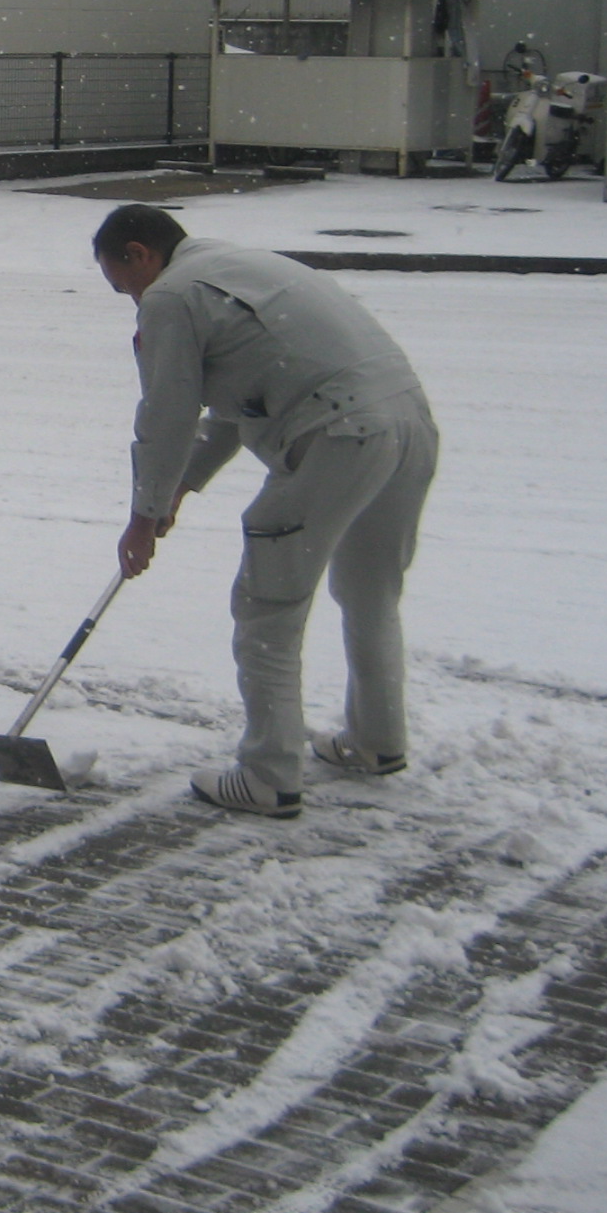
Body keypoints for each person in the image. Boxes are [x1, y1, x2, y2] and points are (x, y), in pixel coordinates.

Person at [95, 204, 439, 820]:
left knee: (267, 606)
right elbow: (238, 401)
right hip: (407, 422)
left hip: (337, 432)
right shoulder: (244, 266)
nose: (131, 299)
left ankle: (267, 776)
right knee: (369, 593)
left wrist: (143, 517)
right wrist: (180, 487)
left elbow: (167, 413)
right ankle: (376, 742)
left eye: (122, 285)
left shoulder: (170, 297)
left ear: (139, 254)